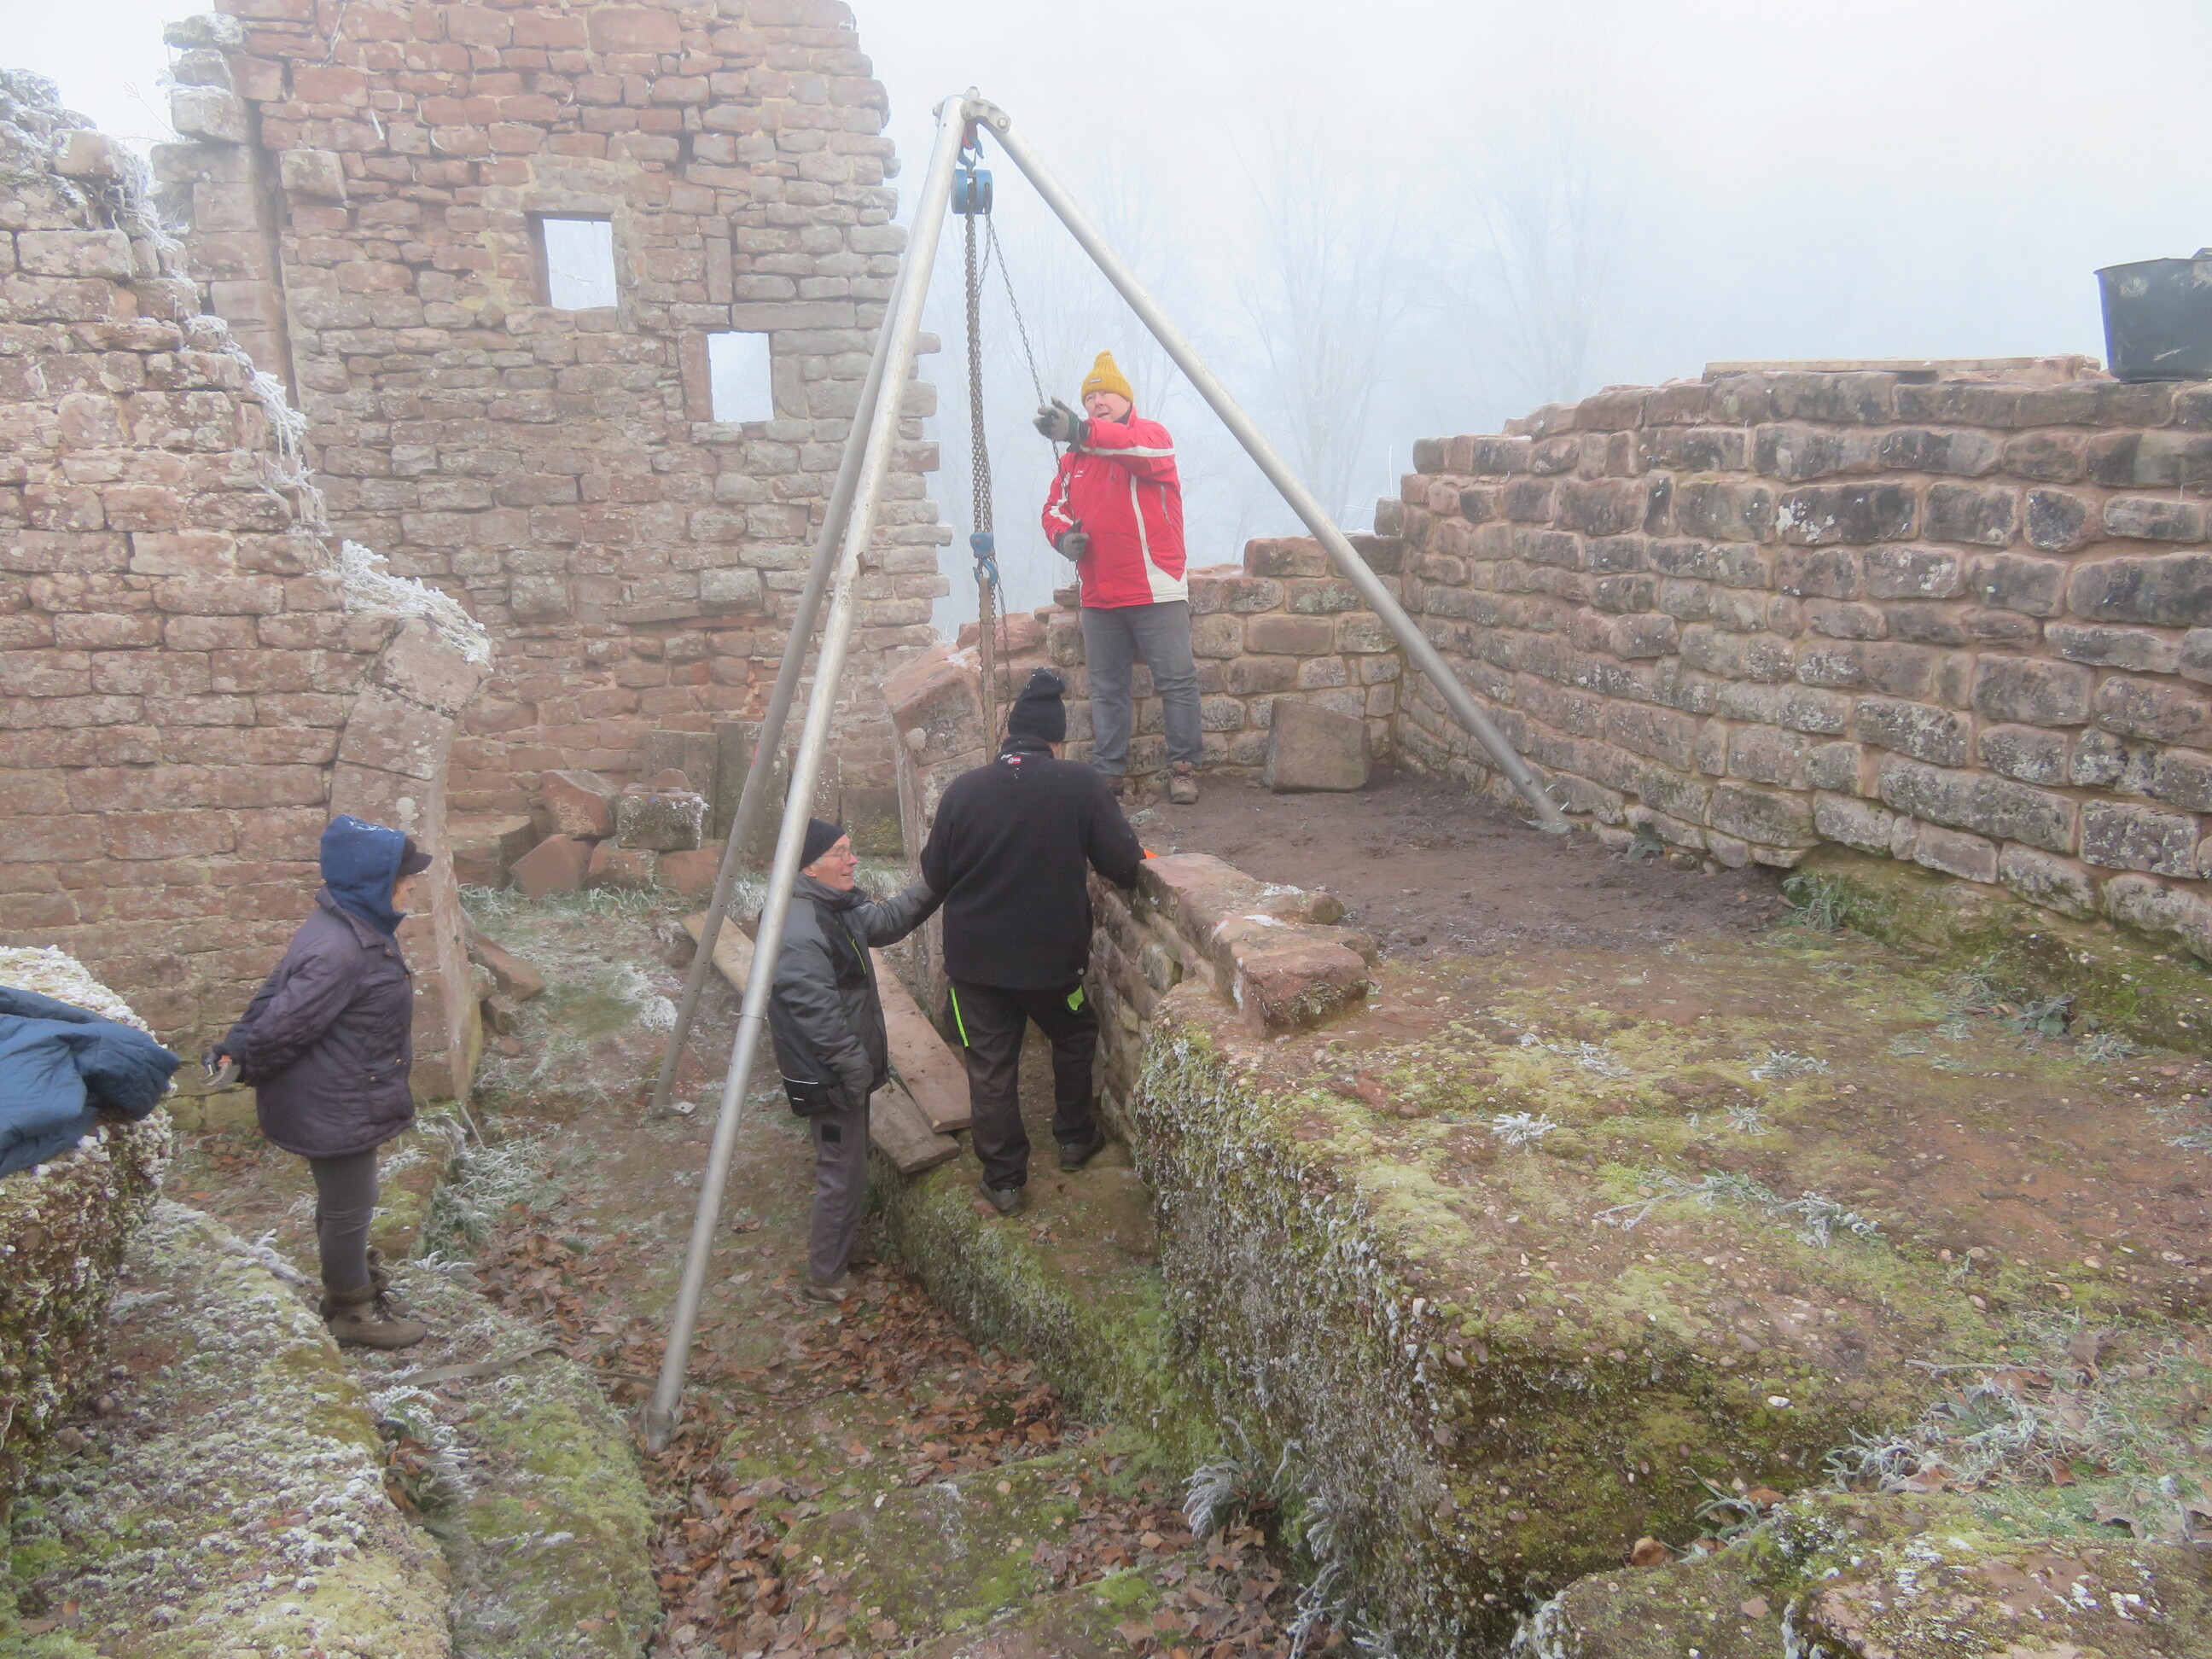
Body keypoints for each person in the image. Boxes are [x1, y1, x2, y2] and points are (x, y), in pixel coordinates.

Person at [920, 667, 1144, 1215]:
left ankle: (1003, 1180)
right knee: (1074, 1033)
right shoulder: (1079, 783)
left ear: (1008, 737)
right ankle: (1074, 1138)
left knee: (990, 1064)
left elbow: (935, 874)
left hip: (974, 964)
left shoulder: (963, 790)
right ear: (1056, 741)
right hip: (1052, 964)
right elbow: (1124, 866)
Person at [218, 814, 435, 1350]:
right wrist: (247, 1057)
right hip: (334, 1099)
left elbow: (277, 987)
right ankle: (352, 1311)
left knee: (346, 1201)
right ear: (374, 882)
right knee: (350, 1205)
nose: (411, 886)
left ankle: (350, 1287)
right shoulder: (343, 948)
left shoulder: (344, 924)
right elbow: (283, 1024)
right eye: (404, 877)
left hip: (340, 1088)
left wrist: (238, 1042)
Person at [765, 818, 939, 1301]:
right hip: (828, 1074)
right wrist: (853, 1065)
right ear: (809, 866)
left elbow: (885, 922)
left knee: (848, 1165)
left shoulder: (832, 908)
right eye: (840, 852)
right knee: (840, 1170)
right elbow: (815, 1012)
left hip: (842, 1069)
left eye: (850, 849)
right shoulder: (800, 928)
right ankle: (825, 1276)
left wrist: (936, 882)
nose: (853, 859)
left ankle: (837, 1252)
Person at [1037, 349, 1202, 806]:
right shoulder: (1073, 462)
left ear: (1127, 400)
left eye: (1107, 394)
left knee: (1176, 681)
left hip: (1156, 587)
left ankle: (1183, 767)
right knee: (1107, 690)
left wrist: (1082, 431)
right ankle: (1108, 774)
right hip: (1099, 594)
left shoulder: (1149, 436)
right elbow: (1054, 509)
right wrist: (1063, 538)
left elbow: (1136, 450)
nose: (1098, 402)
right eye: (1090, 398)